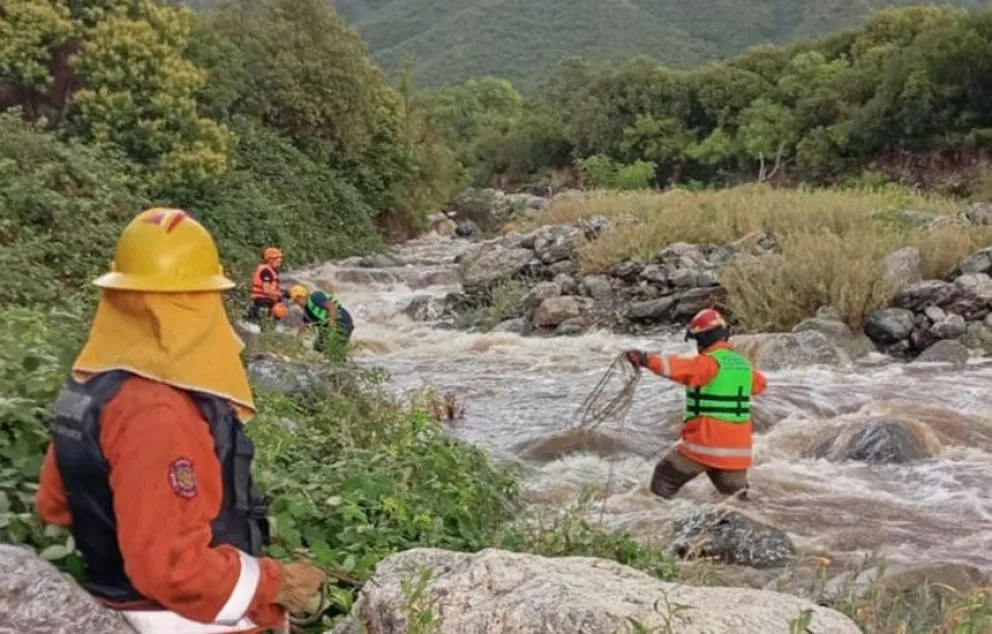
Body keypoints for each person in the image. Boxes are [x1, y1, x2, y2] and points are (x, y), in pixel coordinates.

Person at [36, 208, 325, 634]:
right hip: (185, 621)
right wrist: (274, 585)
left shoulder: (90, 391)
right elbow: (171, 569)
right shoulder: (158, 415)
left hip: (114, 607)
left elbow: (54, 506)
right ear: (198, 303)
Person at [625, 308, 767, 500]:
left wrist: (645, 359)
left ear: (704, 339)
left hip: (704, 444)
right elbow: (760, 385)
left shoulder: (707, 364)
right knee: (735, 499)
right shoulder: (745, 366)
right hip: (737, 454)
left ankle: (654, 518)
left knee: (664, 477)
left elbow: (675, 367)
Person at [287, 284, 353, 353]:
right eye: (296, 301)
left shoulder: (315, 296)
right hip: (328, 328)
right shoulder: (307, 311)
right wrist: (295, 343)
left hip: (342, 322)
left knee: (334, 349)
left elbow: (332, 307)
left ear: (302, 295)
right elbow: (304, 327)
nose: (298, 303)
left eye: (297, 300)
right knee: (318, 347)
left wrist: (331, 328)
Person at [246, 247, 283, 321]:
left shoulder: (267, 270)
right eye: (277, 260)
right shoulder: (266, 271)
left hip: (261, 302)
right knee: (265, 324)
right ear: (270, 260)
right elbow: (266, 290)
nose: (279, 262)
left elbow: (271, 288)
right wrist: (281, 294)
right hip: (263, 302)